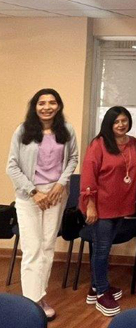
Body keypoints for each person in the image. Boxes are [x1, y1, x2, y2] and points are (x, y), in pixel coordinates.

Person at [6, 89, 78, 320]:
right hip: (30, 196)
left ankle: (39, 296)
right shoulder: (23, 131)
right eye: (42, 103)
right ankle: (31, 303)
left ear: (58, 106)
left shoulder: (66, 131)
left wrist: (60, 185)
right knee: (32, 249)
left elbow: (73, 158)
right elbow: (12, 166)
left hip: (56, 195)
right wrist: (33, 191)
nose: (47, 107)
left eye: (52, 102)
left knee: (47, 247)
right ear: (35, 106)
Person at [80, 106, 136, 317]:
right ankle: (102, 293)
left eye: (124, 120)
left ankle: (95, 287)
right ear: (108, 124)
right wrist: (90, 204)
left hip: (121, 205)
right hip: (100, 206)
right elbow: (88, 175)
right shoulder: (99, 144)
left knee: (104, 248)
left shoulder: (132, 143)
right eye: (116, 122)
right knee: (102, 249)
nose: (121, 125)